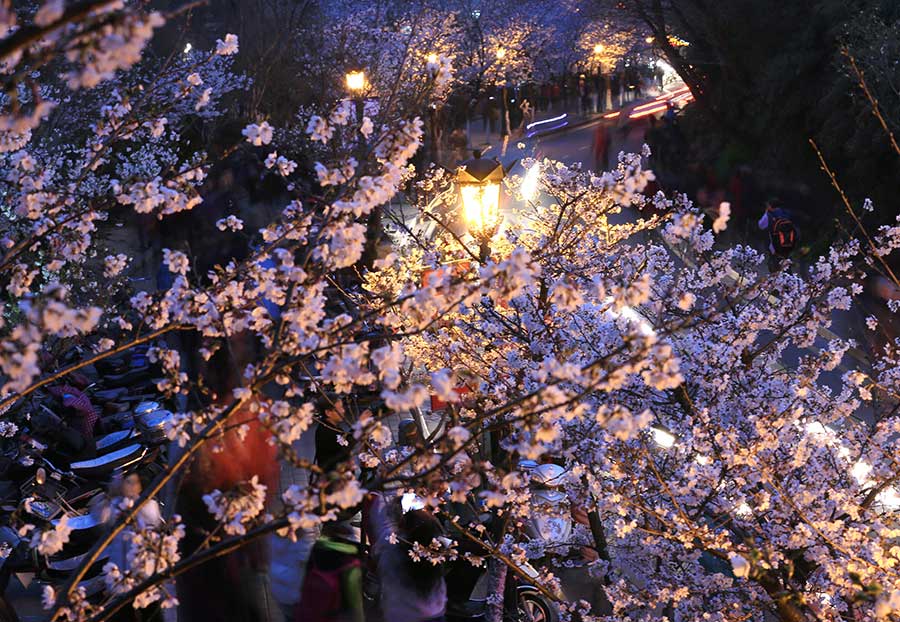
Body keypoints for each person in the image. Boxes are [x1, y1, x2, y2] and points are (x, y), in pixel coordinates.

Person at [364, 493, 446, 622]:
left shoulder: (392, 549)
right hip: (434, 613)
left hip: (401, 615)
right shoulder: (437, 552)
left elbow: (380, 518)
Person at [295, 518, 364, 622]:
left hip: (308, 611)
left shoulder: (315, 551)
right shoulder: (350, 563)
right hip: (334, 614)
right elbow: (355, 606)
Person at [757, 198, 798, 270]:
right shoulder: (786, 213)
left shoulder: (769, 215)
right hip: (788, 244)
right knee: (786, 267)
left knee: (775, 267)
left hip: (774, 246)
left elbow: (761, 225)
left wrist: (766, 213)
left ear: (770, 206)